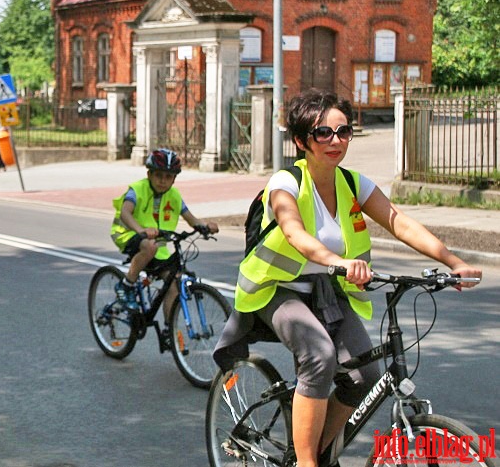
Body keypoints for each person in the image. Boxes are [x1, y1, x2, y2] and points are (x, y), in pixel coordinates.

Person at [214, 88, 482, 467]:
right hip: (274, 289)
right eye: (323, 133)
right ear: (301, 140)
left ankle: (319, 450)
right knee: (320, 356)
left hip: (324, 290)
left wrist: (454, 262)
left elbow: (398, 221)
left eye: (343, 132)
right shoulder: (285, 183)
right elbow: (293, 231)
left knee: (365, 375)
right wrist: (336, 260)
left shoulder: (353, 183)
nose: (335, 141)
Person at [110, 148, 219, 318]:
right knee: (149, 247)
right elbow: (125, 213)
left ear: (174, 179)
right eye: (159, 175)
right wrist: (141, 231)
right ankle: (126, 284)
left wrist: (205, 225)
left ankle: (170, 334)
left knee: (174, 283)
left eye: (168, 177)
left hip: (155, 244)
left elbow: (191, 219)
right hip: (128, 234)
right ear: (149, 174)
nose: (163, 181)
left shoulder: (174, 195)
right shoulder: (138, 189)